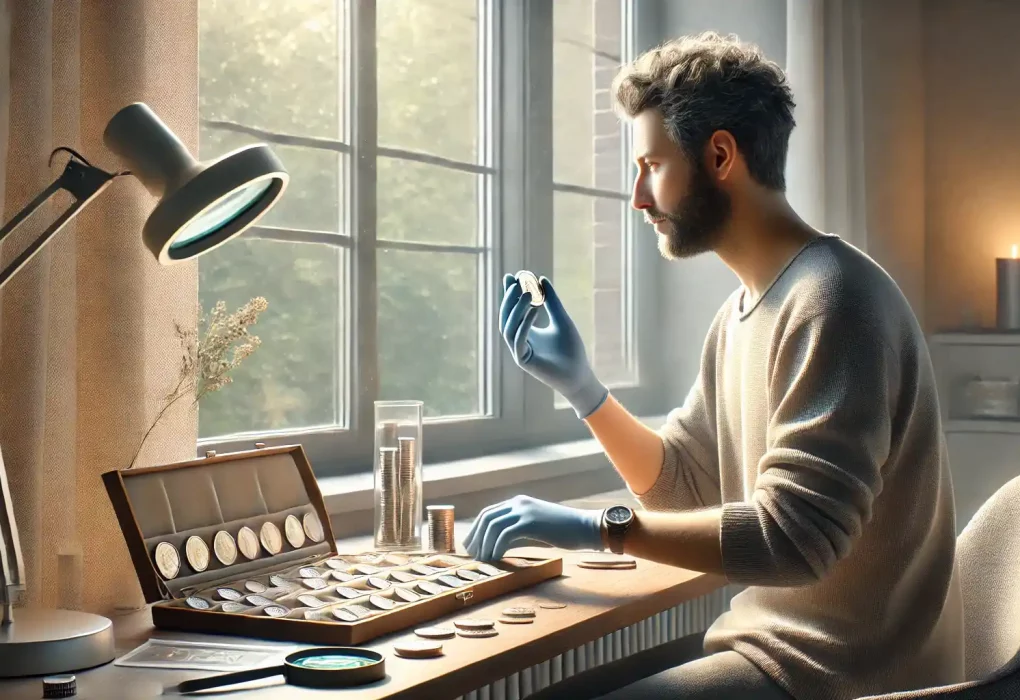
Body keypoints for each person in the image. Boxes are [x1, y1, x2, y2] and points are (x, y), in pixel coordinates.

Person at [463, 31, 964, 700]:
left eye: (652, 166)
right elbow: (683, 487)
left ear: (720, 155)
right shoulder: (741, 314)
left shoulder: (835, 302)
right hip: (776, 656)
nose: (639, 198)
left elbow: (794, 541)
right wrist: (585, 393)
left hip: (845, 679)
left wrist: (594, 529)